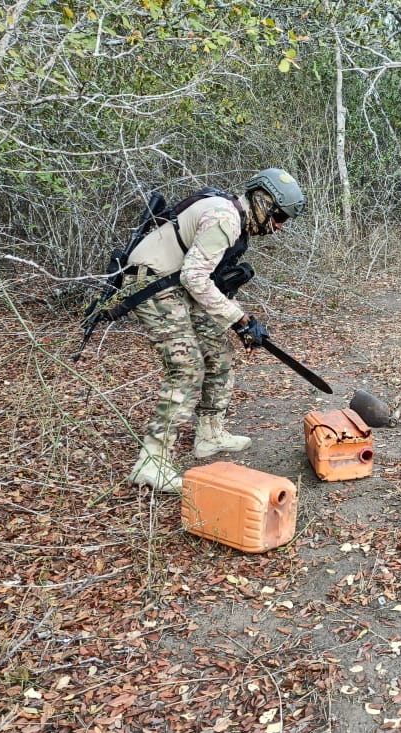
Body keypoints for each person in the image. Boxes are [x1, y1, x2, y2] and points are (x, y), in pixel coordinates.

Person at [123, 168, 306, 493]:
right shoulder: (226, 218)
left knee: (219, 352)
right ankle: (151, 462)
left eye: (284, 220)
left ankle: (209, 435)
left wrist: (236, 322)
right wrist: (241, 319)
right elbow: (194, 277)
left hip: (173, 283)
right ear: (263, 200)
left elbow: (201, 279)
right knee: (187, 367)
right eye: (278, 216)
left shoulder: (233, 220)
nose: (278, 226)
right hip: (150, 283)